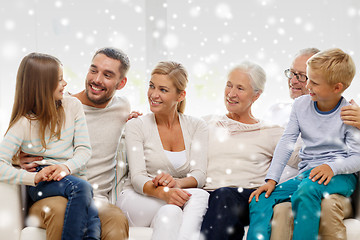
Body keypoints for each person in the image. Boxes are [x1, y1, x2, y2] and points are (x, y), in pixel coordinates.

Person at [247, 48, 360, 240]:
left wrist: (331, 167)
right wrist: (271, 180)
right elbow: (287, 142)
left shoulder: (349, 113)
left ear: (337, 88)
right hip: (308, 175)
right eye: (308, 79)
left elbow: (357, 157)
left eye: (314, 82)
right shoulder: (300, 105)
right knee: (260, 200)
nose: (308, 86)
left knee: (306, 191)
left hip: (340, 176)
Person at [19, 47, 131, 240]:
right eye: (93, 70)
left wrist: (137, 122)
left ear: (121, 83)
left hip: (95, 199)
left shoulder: (123, 108)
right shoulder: (60, 104)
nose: (96, 79)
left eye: (107, 75)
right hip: (51, 196)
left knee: (116, 218)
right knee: (62, 211)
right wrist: (18, 156)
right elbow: (20, 131)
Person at [0, 52, 100, 239]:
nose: (65, 84)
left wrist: (65, 167)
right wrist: (33, 177)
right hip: (43, 179)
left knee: (90, 208)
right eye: (60, 79)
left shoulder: (73, 106)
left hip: (68, 175)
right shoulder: (23, 123)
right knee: (83, 189)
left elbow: (84, 150)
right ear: (42, 87)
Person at [117, 61, 209, 240]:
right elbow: (137, 178)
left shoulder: (197, 126)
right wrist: (163, 192)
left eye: (163, 90)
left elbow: (200, 174)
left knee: (174, 211)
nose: (154, 94)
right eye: (152, 86)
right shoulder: (136, 125)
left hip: (170, 200)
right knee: (193, 198)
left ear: (180, 95)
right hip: (136, 199)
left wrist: (175, 184)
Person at [199, 61, 286, 240]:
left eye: (240, 88)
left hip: (246, 197)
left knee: (223, 196)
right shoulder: (206, 123)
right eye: (229, 85)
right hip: (209, 195)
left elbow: (307, 156)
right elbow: (173, 131)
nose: (231, 94)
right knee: (219, 197)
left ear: (256, 95)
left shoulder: (271, 131)